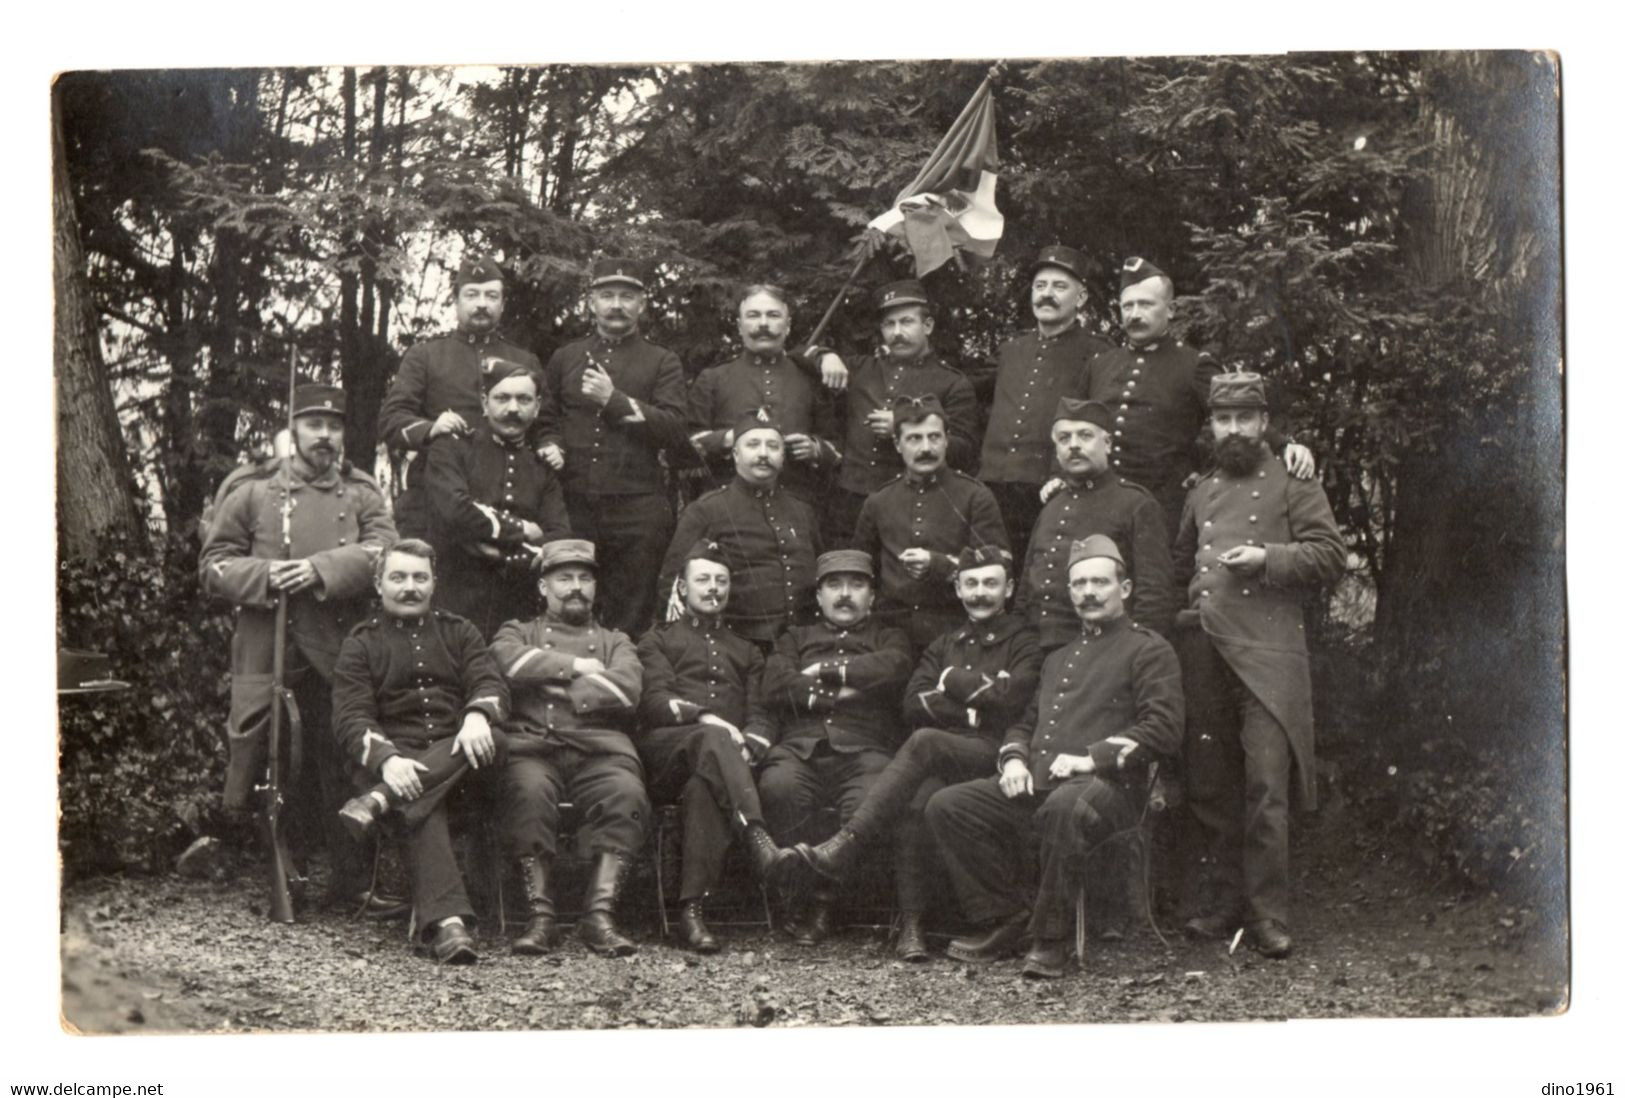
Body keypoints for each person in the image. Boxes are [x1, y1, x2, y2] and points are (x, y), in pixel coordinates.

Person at [926, 535, 1184, 978]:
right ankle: (1008, 916)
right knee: (948, 806)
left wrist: (1091, 759)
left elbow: (1164, 729)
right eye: (1079, 583)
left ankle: (1051, 939)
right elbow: (1026, 723)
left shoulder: (1149, 648)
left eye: (1099, 582)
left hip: (1112, 791)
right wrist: (1013, 761)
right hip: (1042, 784)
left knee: (1066, 807)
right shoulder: (1059, 657)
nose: (1088, 592)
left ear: (1124, 589)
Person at [200, 383, 398, 914]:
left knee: (342, 760)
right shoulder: (252, 490)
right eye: (314, 425)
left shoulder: (360, 492)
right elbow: (215, 564)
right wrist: (267, 574)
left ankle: (351, 880)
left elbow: (384, 551)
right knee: (274, 761)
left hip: (338, 647)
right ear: (294, 431)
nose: (326, 436)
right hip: (272, 646)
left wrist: (319, 569)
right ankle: (283, 871)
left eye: (334, 427)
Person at [791, 545, 1042, 961]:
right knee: (915, 802)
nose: (980, 593)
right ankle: (912, 928)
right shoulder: (946, 642)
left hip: (999, 753)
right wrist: (977, 698)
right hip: (946, 753)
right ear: (958, 589)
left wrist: (948, 681)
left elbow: (1013, 697)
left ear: (1010, 588)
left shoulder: (1024, 642)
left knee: (925, 740)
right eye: (972, 583)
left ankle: (845, 844)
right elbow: (913, 701)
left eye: (991, 584)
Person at [1173, 372, 1346, 959]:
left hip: (1268, 654)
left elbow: (1330, 554)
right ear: (1212, 425)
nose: (1235, 429)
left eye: (1246, 417)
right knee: (1211, 784)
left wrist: (1266, 558)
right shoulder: (1200, 489)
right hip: (1205, 650)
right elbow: (1182, 565)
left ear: (1265, 421)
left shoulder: (1294, 479)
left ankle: (1269, 914)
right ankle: (1224, 903)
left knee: (1266, 785)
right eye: (1224, 418)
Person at [329, 540, 509, 964]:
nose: (409, 587)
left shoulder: (460, 631)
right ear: (378, 584)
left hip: (464, 764)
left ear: (434, 583)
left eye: (419, 577)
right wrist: (386, 762)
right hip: (394, 762)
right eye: (398, 577)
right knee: (419, 796)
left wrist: (477, 715)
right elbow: (350, 717)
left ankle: (377, 802)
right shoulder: (361, 643)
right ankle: (449, 927)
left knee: (495, 739)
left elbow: (490, 683)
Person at [1070, 257, 1315, 541]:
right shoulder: (1100, 365)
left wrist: (1284, 445)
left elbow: (1234, 413)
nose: (1135, 314)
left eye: (1146, 305)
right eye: (1128, 306)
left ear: (1170, 310)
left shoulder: (1193, 364)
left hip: (1161, 505)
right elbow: (1073, 423)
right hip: (1099, 499)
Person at [488, 539, 650, 957]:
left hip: (601, 749)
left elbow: (627, 688)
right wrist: (577, 667)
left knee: (626, 795)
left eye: (584, 578)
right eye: (564, 578)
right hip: (534, 747)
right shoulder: (518, 631)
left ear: (595, 587)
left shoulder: (617, 641)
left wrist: (546, 682)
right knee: (527, 792)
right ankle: (540, 918)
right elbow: (505, 661)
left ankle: (599, 916)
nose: (575, 587)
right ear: (543, 587)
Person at [635, 539, 794, 953]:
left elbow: (761, 713)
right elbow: (654, 701)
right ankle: (757, 839)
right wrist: (705, 717)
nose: (713, 589)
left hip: (724, 765)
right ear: (683, 589)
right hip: (669, 754)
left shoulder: (746, 649)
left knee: (704, 789)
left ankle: (691, 913)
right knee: (711, 738)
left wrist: (751, 748)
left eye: (721, 581)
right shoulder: (658, 640)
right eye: (703, 579)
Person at [758, 550, 913, 944]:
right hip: (799, 749)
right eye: (834, 585)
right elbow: (776, 683)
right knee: (779, 788)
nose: (845, 594)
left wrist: (825, 671)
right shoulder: (795, 638)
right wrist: (844, 693)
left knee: (867, 801)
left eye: (857, 585)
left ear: (873, 596)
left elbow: (894, 669)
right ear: (819, 595)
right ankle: (798, 900)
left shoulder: (889, 637)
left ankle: (826, 906)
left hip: (866, 751)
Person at [535, 258, 691, 637]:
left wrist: (613, 400)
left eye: (627, 296)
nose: (616, 305)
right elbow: (545, 416)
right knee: (568, 601)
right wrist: (551, 442)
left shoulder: (661, 361)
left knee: (632, 613)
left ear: (642, 303)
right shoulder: (565, 357)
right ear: (591, 303)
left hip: (637, 509)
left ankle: (625, 687)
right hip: (573, 506)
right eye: (607, 296)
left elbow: (673, 427)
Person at [409, 360, 572, 638]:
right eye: (502, 398)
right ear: (484, 403)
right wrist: (523, 530)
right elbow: (455, 511)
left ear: (537, 407)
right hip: (452, 599)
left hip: (516, 609)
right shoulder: (452, 448)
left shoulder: (541, 468)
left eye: (523, 400)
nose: (512, 409)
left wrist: (502, 553)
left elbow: (559, 536)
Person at [815, 280, 979, 543]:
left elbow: (964, 450)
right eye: (889, 324)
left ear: (928, 326)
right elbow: (798, 357)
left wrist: (907, 427)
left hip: (913, 503)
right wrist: (825, 356)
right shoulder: (860, 369)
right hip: (848, 504)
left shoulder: (952, 383)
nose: (897, 332)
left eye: (906, 322)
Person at [977, 245, 1112, 567]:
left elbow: (1098, 422)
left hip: (1052, 485)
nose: (1046, 295)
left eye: (1059, 287)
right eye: (1040, 286)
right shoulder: (1011, 350)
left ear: (1080, 299)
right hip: (994, 484)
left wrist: (1062, 474)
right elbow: (963, 392)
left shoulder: (1098, 353)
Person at [1017, 397, 1176, 652]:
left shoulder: (1136, 503)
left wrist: (1135, 655)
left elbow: (1154, 597)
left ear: (1108, 443)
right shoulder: (1052, 506)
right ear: (1056, 449)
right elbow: (1026, 590)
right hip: (1037, 651)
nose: (1074, 446)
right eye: (1064, 438)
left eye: (1085, 435)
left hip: (1103, 651)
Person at [852, 394, 1007, 653]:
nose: (926, 448)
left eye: (934, 437)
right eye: (914, 438)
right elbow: (861, 569)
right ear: (897, 444)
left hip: (955, 632)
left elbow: (1000, 567)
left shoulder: (975, 496)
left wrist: (939, 565)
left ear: (947, 440)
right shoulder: (879, 500)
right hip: (889, 635)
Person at [658, 408, 820, 648]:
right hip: (734, 647)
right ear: (735, 454)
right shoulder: (706, 510)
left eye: (773, 446)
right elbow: (671, 585)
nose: (763, 454)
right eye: (753, 445)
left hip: (803, 644)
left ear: (783, 457)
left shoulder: (802, 511)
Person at [687, 284, 841, 503]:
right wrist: (728, 439)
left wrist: (815, 449)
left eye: (773, 315)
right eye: (753, 315)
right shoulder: (713, 379)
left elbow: (837, 445)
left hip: (797, 504)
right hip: (727, 507)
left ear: (787, 326)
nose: (763, 324)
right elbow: (686, 444)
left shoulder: (810, 379)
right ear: (740, 326)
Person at [379, 256, 541, 457]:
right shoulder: (425, 356)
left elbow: (545, 427)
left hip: (506, 483)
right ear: (456, 301)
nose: (482, 304)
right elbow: (391, 420)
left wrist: (549, 444)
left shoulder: (525, 361)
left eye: (491, 296)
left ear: (503, 304)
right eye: (472, 295)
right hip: (437, 479)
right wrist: (431, 429)